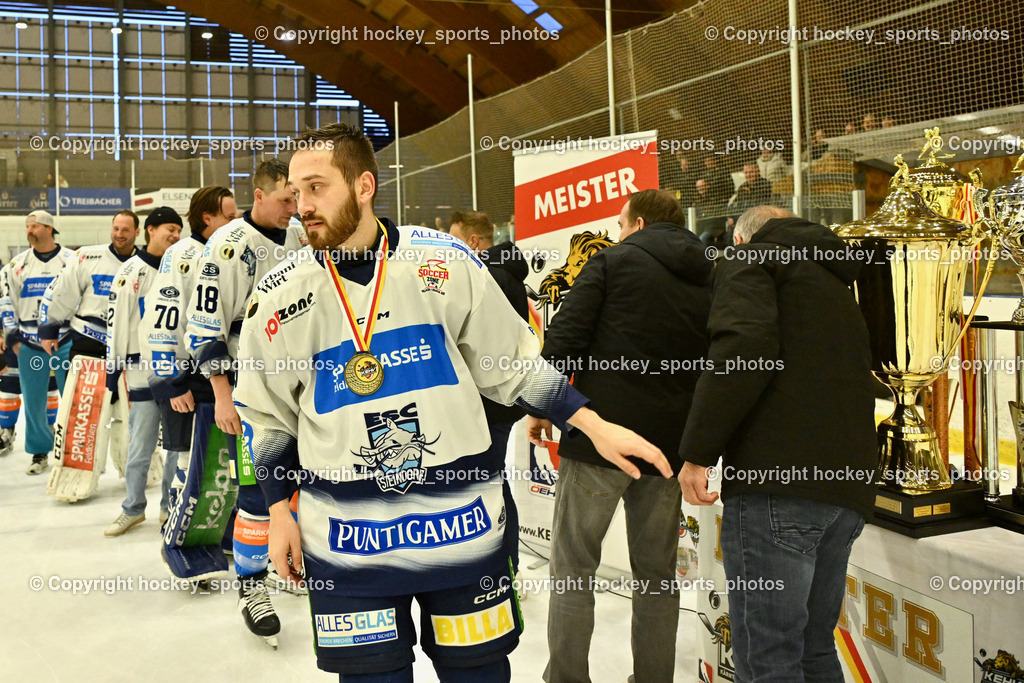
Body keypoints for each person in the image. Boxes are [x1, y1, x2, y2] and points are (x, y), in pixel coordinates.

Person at [234, 122, 670, 680]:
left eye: (317, 188)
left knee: (479, 673)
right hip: (346, 541)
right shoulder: (278, 293)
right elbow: (266, 416)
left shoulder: (446, 262)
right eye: (296, 193)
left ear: (364, 186)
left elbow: (513, 365)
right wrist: (276, 511)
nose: (302, 207)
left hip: (461, 527)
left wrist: (592, 423)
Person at [678, 205, 877, 682]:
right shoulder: (834, 278)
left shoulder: (751, 260)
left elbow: (740, 352)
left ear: (740, 239)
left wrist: (698, 453)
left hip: (778, 485)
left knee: (769, 655)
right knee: (813, 648)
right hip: (846, 487)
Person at [533, 189, 713, 683]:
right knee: (657, 576)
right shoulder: (711, 272)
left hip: (598, 439)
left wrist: (542, 409)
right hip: (668, 450)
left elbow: (562, 342)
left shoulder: (613, 263)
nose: (615, 232)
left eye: (618, 223)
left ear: (636, 224)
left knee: (573, 567)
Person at [185, 160, 305, 645]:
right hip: (252, 386)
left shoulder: (299, 235)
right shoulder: (228, 246)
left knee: (307, 482)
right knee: (258, 491)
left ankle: (292, 562)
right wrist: (222, 396)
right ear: (259, 195)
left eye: (297, 198)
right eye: (285, 200)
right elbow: (205, 327)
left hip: (305, 380)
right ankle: (252, 588)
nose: (293, 208)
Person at [141, 187, 236, 526]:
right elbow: (162, 319)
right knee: (187, 465)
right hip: (189, 381)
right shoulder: (182, 254)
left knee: (225, 466)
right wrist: (171, 382)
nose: (237, 218)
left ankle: (220, 534)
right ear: (208, 217)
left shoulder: (232, 250)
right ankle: (181, 533)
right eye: (229, 214)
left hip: (225, 374)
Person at [104, 207, 182, 536]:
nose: (176, 235)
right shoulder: (130, 272)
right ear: (149, 230)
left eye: (179, 230)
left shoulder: (182, 267)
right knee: (141, 447)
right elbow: (116, 323)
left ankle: (170, 508)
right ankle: (133, 508)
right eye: (169, 229)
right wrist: (112, 370)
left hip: (176, 371)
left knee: (178, 449)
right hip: (140, 373)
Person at [0, 210, 74, 474]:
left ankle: (75, 453)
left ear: (49, 228)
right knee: (33, 401)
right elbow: (6, 302)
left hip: (65, 339)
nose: (29, 230)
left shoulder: (71, 260)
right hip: (30, 343)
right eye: (27, 226)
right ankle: (39, 452)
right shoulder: (16, 265)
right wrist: (12, 337)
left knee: (73, 398)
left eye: (35, 226)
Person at [39, 210, 139, 362]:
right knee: (76, 386)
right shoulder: (86, 256)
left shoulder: (144, 264)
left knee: (121, 387)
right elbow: (62, 290)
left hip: (128, 346)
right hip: (87, 340)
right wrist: (49, 329)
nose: (119, 234)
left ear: (137, 232)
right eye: (116, 229)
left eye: (125, 230)